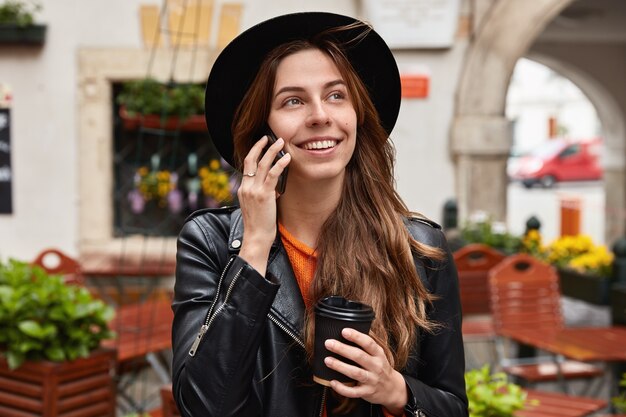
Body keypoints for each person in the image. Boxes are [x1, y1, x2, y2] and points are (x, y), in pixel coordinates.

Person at [172, 11, 468, 417]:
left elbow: (452, 407)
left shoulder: (420, 250)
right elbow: (204, 406)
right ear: (264, 130)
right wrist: (255, 247)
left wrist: (395, 390)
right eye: (293, 100)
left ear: (357, 116)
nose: (319, 116)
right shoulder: (211, 242)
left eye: (335, 95)